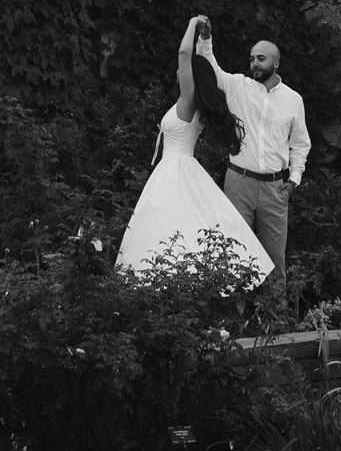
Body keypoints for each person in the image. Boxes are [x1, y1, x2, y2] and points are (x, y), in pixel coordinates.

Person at [115, 16, 275, 284]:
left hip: (176, 170)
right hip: (174, 168)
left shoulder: (188, 100)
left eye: (184, 70)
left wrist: (192, 23)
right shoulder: (191, 102)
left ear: (192, 75)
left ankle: (170, 284)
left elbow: (183, 52)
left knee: (174, 226)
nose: (178, 72)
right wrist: (206, 38)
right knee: (176, 228)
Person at [194, 19, 310, 293]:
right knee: (234, 252)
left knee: (274, 260)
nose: (254, 63)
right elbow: (208, 67)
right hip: (239, 183)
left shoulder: (293, 100)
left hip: (275, 188)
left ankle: (276, 323)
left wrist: (293, 181)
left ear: (276, 63)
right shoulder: (238, 86)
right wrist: (205, 39)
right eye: (252, 59)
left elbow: (301, 145)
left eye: (261, 58)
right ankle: (233, 324)